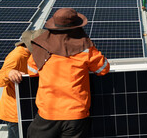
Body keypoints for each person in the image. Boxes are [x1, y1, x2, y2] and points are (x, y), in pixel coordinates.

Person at [26, 8, 110, 138]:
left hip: (48, 112)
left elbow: (31, 72)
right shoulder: (86, 48)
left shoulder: (41, 46)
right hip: (76, 114)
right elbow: (102, 69)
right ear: (77, 27)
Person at [0, 29, 46, 138]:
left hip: (26, 108)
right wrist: (9, 73)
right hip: (15, 113)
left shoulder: (34, 55)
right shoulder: (17, 56)